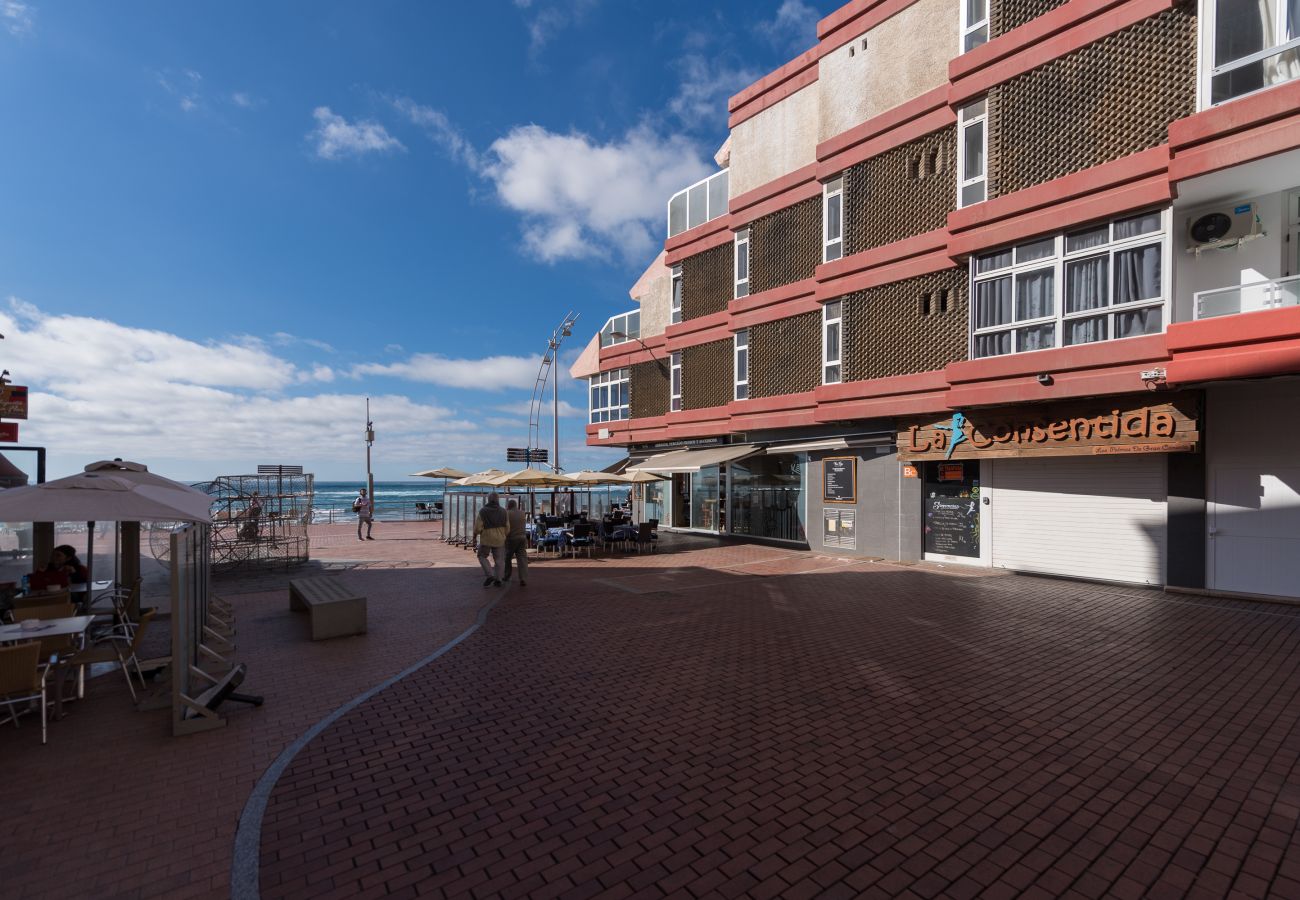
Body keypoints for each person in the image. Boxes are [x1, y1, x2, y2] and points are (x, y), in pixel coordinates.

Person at [473, 493, 508, 587]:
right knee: (499, 560)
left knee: (482, 556)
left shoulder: (483, 511)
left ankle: (490, 574)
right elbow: (507, 528)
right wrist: (503, 535)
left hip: (487, 539)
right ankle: (499, 579)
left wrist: (475, 536)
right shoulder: (504, 511)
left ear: (488, 500)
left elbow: (477, 528)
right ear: (498, 500)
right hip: (500, 539)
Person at [502, 498, 529, 587]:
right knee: (522, 559)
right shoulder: (522, 513)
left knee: (508, 558)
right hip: (522, 538)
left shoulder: (507, 513)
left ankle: (507, 576)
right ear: (516, 505)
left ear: (509, 506)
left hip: (511, 539)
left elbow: (505, 526)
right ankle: (523, 578)